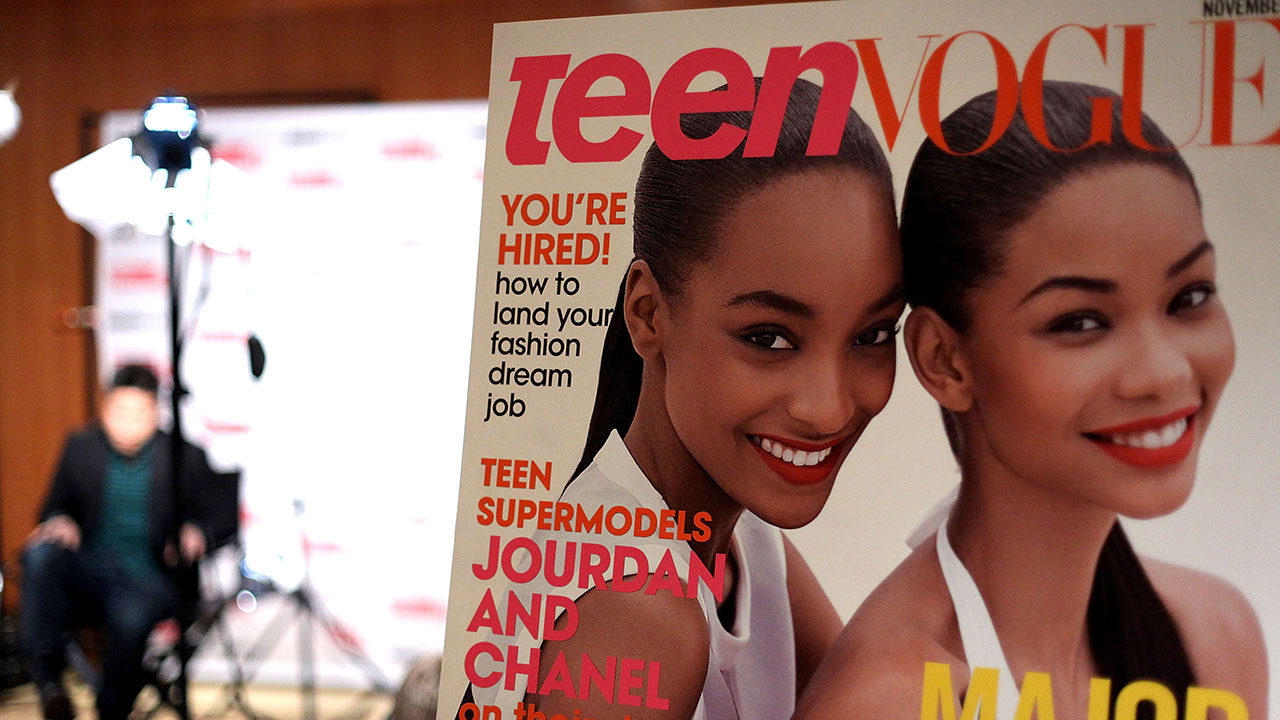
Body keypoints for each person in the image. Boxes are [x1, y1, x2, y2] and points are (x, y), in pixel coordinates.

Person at [794, 81, 1268, 720]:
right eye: (1080, 322)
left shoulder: (1214, 636)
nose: (1164, 372)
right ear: (944, 360)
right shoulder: (890, 702)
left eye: (1189, 297)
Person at [468, 78, 904, 720]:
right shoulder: (638, 610)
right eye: (768, 337)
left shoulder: (746, 540)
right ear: (648, 312)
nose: (829, 409)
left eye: (872, 335)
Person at [20, 364, 215, 720]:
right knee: (39, 555)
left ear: (156, 413)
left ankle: (112, 707)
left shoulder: (183, 455)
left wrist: (196, 530)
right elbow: (54, 506)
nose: (127, 423)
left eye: (138, 413)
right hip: (91, 567)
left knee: (131, 616)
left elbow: (214, 513)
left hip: (150, 577)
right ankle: (48, 682)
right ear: (104, 407)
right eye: (119, 412)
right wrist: (61, 520)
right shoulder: (81, 447)